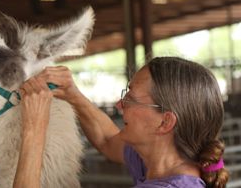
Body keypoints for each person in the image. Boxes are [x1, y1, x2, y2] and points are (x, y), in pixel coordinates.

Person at [13, 56, 229, 188]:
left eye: (131, 98)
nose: (119, 104)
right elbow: (107, 139)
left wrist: (34, 127)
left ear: (165, 123)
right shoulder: (161, 163)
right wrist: (72, 94)